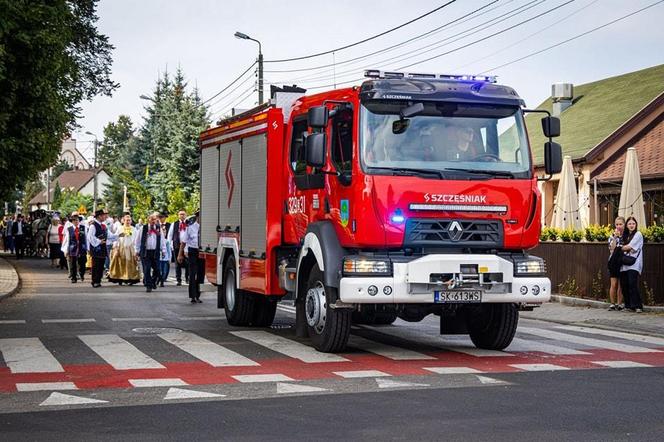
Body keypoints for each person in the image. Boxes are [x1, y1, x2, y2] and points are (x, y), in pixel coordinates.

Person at [134, 212, 166, 293]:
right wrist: (137, 251)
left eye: (155, 219)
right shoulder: (143, 228)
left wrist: (164, 250)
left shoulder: (159, 228)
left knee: (157, 269)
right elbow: (137, 241)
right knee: (147, 269)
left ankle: (153, 281)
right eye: (152, 219)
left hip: (155, 252)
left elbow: (162, 240)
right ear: (148, 220)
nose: (153, 221)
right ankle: (149, 285)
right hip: (145, 252)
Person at [619, 216, 644, 313]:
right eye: (629, 223)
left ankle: (638, 306)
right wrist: (621, 246)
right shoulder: (624, 235)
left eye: (633, 223)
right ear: (627, 225)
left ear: (636, 225)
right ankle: (628, 306)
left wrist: (620, 247)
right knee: (624, 284)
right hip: (624, 264)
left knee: (632, 284)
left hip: (634, 263)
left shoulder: (638, 234)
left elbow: (629, 247)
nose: (631, 225)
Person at [108, 213, 141, 285]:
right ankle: (120, 277)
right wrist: (116, 247)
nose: (128, 222)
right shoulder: (120, 229)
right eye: (126, 220)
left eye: (129, 220)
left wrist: (136, 250)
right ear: (123, 221)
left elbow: (136, 240)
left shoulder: (134, 229)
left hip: (130, 248)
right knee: (120, 263)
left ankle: (130, 278)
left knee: (130, 264)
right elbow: (116, 238)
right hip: (121, 248)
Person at [87, 209, 116, 288]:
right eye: (103, 215)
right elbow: (90, 237)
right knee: (96, 265)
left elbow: (109, 235)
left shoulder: (103, 225)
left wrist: (117, 236)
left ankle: (98, 280)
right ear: (99, 216)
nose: (105, 217)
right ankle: (95, 281)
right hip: (96, 248)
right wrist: (99, 241)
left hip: (103, 248)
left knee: (101, 265)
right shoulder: (93, 225)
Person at [178, 211, 202, 303]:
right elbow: (184, 241)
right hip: (193, 251)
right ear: (197, 217)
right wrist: (180, 254)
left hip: (202, 252)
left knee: (200, 274)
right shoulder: (190, 227)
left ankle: (198, 295)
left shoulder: (206, 227)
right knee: (192, 274)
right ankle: (192, 296)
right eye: (199, 216)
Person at [61, 214, 87, 283]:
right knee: (73, 263)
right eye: (74, 220)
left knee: (82, 262)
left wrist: (88, 248)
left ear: (79, 221)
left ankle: (81, 274)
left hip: (82, 248)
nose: (76, 221)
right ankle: (73, 277)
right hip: (72, 248)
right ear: (72, 222)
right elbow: (67, 240)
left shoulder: (83, 228)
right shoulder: (69, 229)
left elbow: (86, 238)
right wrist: (65, 250)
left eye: (77, 220)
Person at [607, 216, 625, 311]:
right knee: (613, 284)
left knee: (621, 284)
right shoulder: (612, 236)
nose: (618, 226)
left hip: (622, 262)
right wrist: (615, 237)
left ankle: (619, 303)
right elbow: (612, 249)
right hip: (613, 262)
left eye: (620, 224)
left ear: (624, 225)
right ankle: (612, 303)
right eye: (617, 224)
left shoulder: (626, 236)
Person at [167, 210, 189, 286]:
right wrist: (170, 245)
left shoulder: (189, 224)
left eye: (183, 214)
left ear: (186, 215)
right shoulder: (174, 224)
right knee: (177, 264)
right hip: (176, 245)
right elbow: (170, 235)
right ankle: (178, 279)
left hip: (186, 246)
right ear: (178, 215)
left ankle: (187, 278)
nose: (182, 216)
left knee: (187, 263)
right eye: (180, 214)